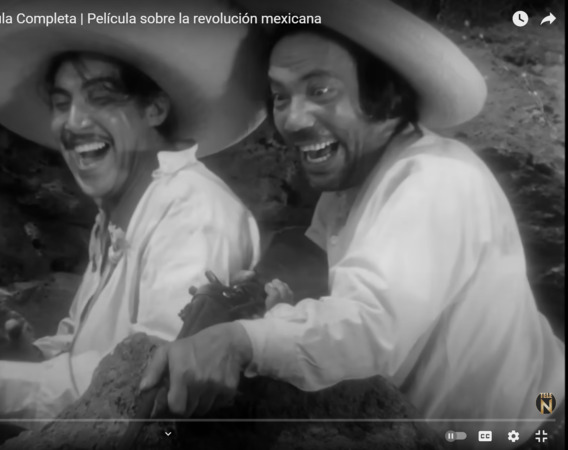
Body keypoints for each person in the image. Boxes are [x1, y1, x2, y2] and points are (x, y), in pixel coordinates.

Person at [140, 0, 565, 447]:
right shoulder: (349, 185)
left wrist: (242, 341)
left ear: (385, 96)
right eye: (281, 96)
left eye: (321, 90)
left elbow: (370, 326)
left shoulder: (434, 178)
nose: (292, 120)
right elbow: (317, 261)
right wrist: (256, 295)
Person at [0, 0, 266, 421]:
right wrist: (34, 358)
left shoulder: (196, 212)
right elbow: (89, 341)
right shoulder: (115, 218)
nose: (74, 122)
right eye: (60, 103)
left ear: (155, 109)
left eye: (100, 98)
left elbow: (153, 373)